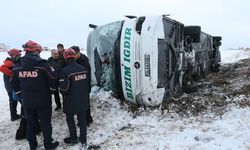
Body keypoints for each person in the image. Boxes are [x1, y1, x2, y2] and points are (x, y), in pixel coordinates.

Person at [10, 40, 59, 150]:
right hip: (43, 101)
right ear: (36, 51)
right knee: (46, 124)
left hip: (27, 101)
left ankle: (32, 145)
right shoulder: (43, 64)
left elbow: (13, 82)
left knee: (30, 123)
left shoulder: (17, 65)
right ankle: (48, 144)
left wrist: (20, 94)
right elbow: (53, 79)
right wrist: (51, 91)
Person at [59, 48, 89, 146]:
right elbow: (87, 85)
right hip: (83, 99)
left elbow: (64, 89)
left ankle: (73, 137)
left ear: (66, 58)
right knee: (82, 120)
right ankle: (83, 139)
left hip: (70, 101)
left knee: (70, 120)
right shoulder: (83, 69)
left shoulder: (64, 71)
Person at [71, 46, 93, 126]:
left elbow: (87, 75)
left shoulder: (84, 61)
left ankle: (86, 120)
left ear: (78, 52)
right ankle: (88, 118)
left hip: (84, 86)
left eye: (75, 54)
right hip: (79, 86)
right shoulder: (75, 61)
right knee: (82, 103)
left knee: (85, 104)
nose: (74, 56)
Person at [0, 48, 21, 121]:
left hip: (9, 85)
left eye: (19, 55)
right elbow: (1, 67)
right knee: (17, 100)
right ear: (13, 55)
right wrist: (12, 74)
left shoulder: (11, 61)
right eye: (17, 55)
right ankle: (16, 115)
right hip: (11, 86)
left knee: (13, 101)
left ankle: (14, 115)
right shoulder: (9, 62)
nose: (19, 56)